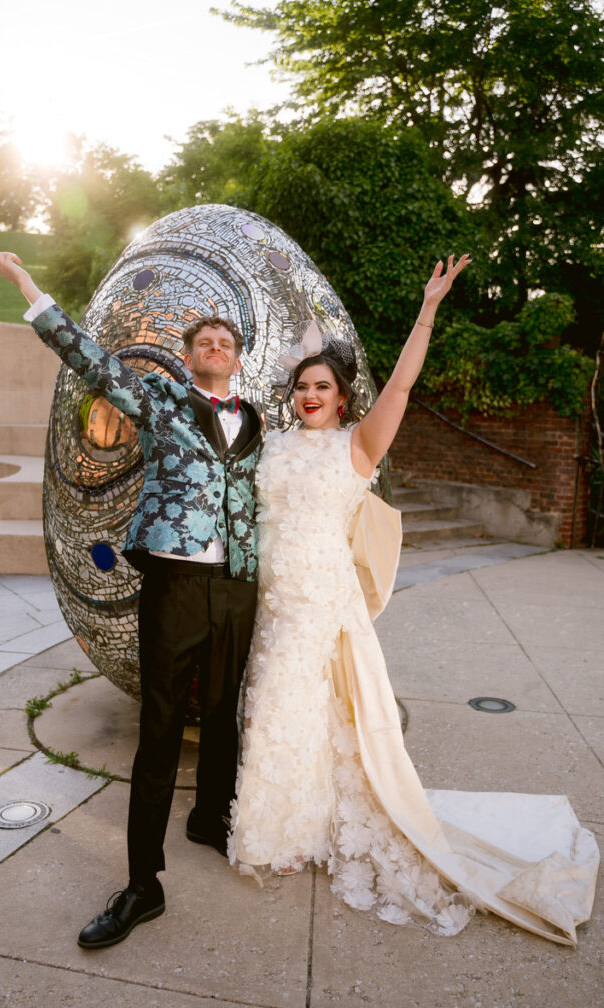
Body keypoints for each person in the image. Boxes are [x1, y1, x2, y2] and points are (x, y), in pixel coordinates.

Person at [228, 255, 599, 945]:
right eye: (302, 386)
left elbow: (400, 385)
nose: (310, 395)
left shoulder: (356, 449)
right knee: (279, 713)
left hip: (324, 610)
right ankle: (287, 826)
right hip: (276, 608)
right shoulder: (271, 446)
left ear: (341, 397)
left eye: (322, 386)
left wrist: (428, 307)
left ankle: (304, 829)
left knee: (312, 714)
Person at [0, 249, 262, 948]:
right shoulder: (159, 400)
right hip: (173, 587)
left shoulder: (257, 422)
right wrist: (30, 288)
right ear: (188, 356)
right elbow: (93, 363)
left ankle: (209, 820)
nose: (214, 347)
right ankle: (142, 885)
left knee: (224, 715)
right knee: (161, 731)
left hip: (234, 590)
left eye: (223, 341)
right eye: (202, 342)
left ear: (237, 356)